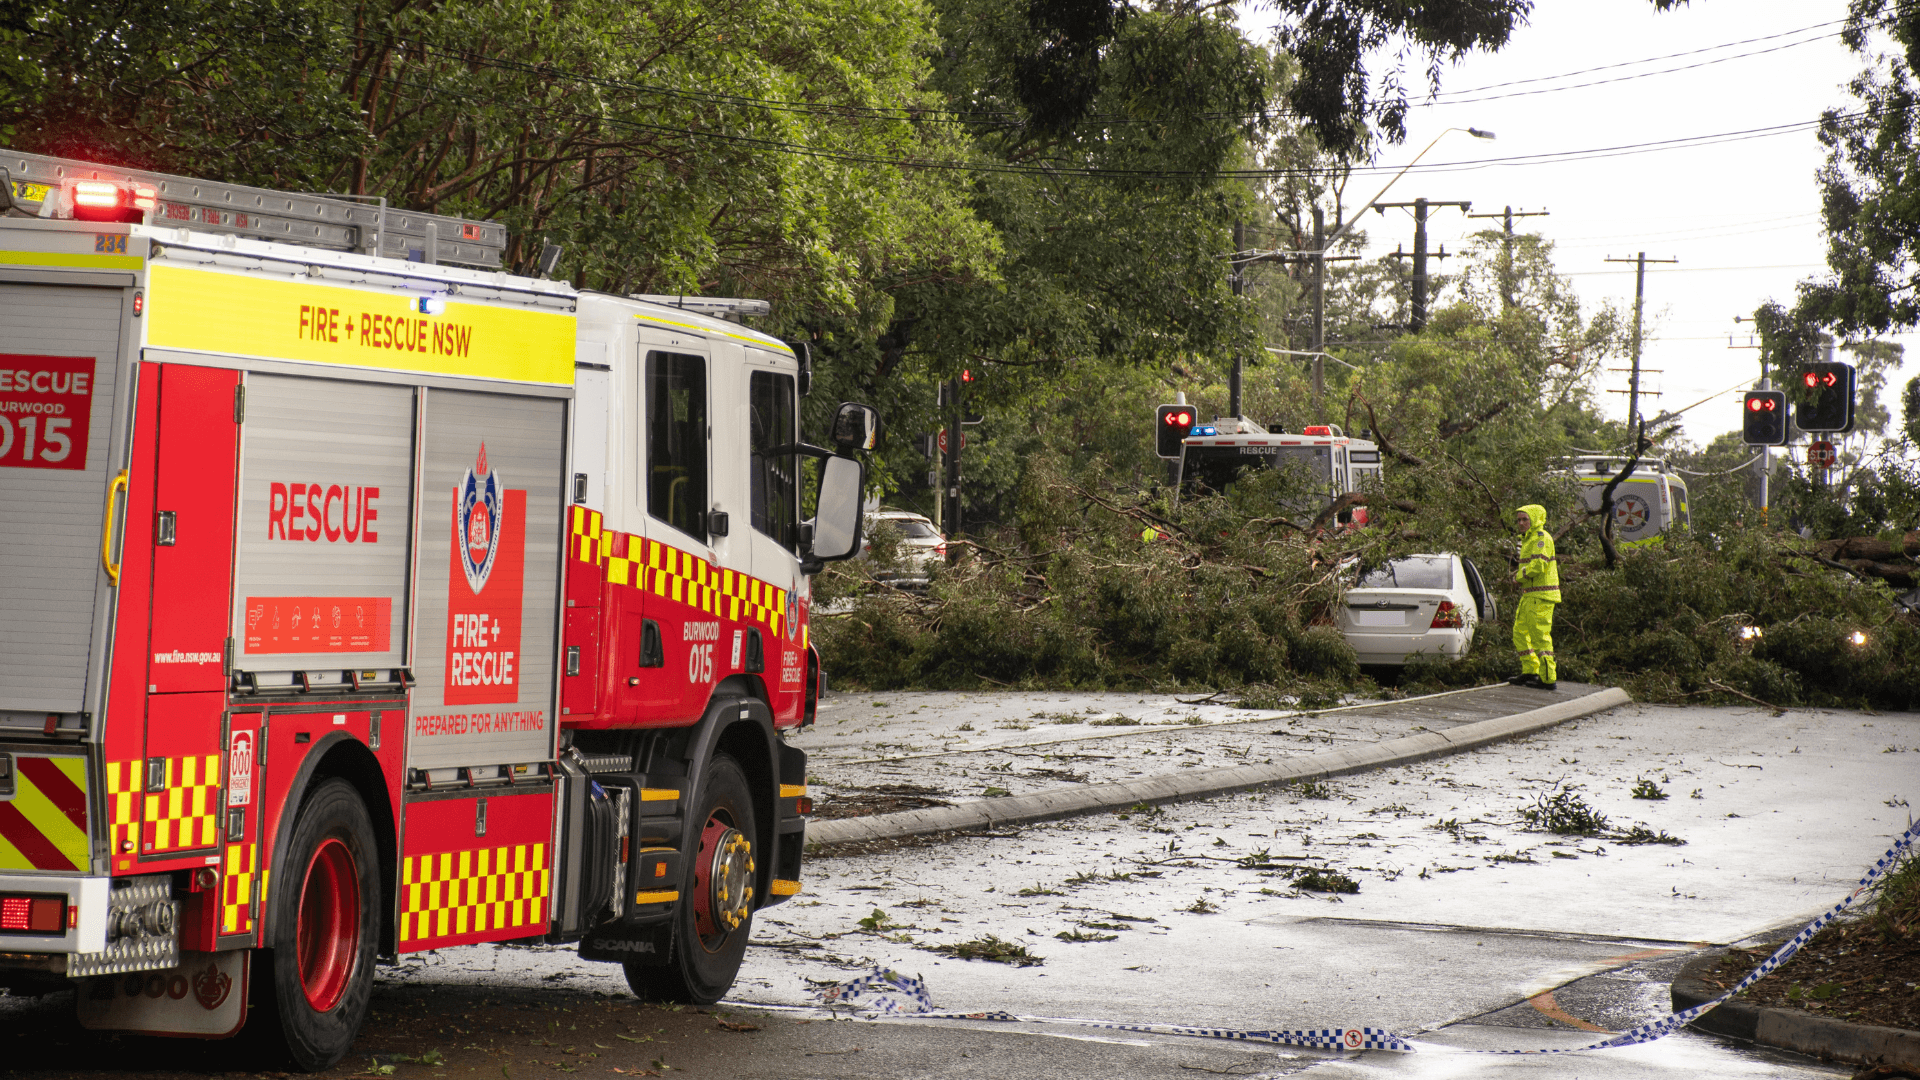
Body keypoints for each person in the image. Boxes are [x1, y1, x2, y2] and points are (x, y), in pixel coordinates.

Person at [1508, 504, 1560, 690]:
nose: (1521, 523)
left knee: (1540, 637)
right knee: (1519, 632)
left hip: (1542, 595)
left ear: (1535, 519)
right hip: (1531, 594)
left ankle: (1548, 679)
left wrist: (1518, 577)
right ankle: (1531, 671)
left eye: (1525, 519)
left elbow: (1539, 565)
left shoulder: (1541, 538)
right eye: (1519, 520)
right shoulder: (1528, 540)